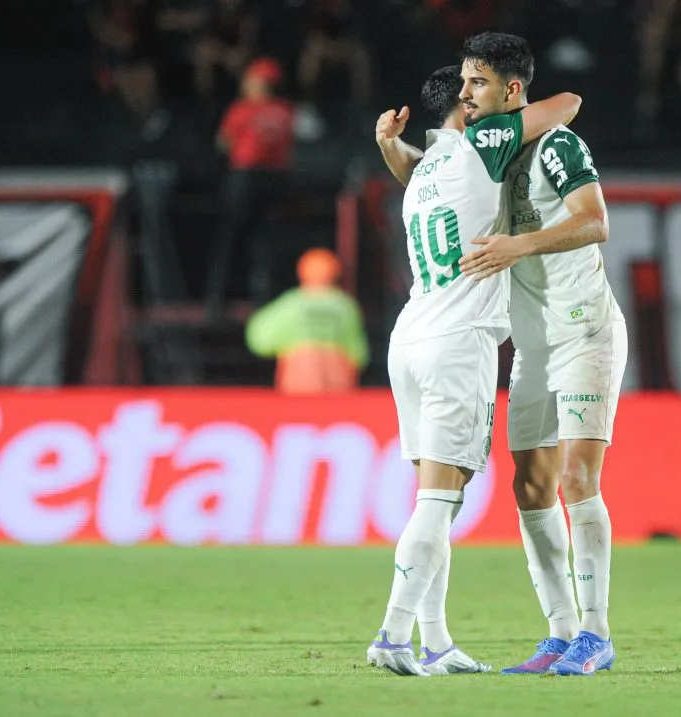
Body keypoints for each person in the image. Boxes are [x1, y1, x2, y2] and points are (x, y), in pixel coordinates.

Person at [367, 64, 582, 677]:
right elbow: (568, 102)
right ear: (466, 109)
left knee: (436, 498)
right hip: (458, 342)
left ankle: (435, 642)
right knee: (440, 500)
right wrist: (507, 108)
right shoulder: (481, 144)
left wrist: (388, 144)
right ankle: (392, 634)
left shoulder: (422, 173)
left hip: (410, 336)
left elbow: (417, 162)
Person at [456, 32, 626, 677]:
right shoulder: (482, 157)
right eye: (464, 82)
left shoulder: (556, 145)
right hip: (531, 345)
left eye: (477, 82)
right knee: (529, 486)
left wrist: (518, 246)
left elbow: (595, 221)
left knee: (578, 478)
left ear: (512, 90)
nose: (466, 94)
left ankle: (596, 633)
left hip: (585, 332)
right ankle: (558, 632)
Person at [207, 57, 294, 320]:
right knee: (265, 242)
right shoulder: (285, 111)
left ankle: (217, 301)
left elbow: (223, 143)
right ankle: (263, 302)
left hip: (245, 180)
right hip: (275, 180)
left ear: (262, 83)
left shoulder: (241, 110)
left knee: (232, 239)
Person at [244, 248, 368, 394]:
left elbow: (259, 340)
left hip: (298, 381)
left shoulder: (290, 304)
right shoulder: (346, 306)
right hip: (338, 383)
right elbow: (359, 354)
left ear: (301, 272)